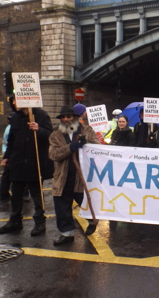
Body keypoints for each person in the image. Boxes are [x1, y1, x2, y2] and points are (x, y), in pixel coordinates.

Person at [0, 95, 53, 237]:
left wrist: (39, 129)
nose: (14, 103)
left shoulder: (41, 115)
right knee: (16, 195)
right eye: (13, 101)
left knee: (37, 196)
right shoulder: (15, 117)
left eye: (17, 100)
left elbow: (51, 136)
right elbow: (11, 140)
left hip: (34, 162)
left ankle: (40, 223)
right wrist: (6, 158)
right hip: (17, 163)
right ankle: (15, 221)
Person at [49, 105, 101, 245]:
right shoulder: (55, 134)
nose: (66, 120)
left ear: (75, 118)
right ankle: (67, 234)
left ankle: (92, 220)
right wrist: (69, 148)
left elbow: (97, 148)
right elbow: (53, 154)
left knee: (85, 202)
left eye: (68, 116)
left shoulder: (87, 131)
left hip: (82, 176)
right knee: (62, 206)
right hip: (63, 176)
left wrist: (86, 144)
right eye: (63, 117)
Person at [0, 113, 13, 201]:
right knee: (8, 175)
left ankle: (4, 193)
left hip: (7, 153)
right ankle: (3, 194)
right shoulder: (11, 129)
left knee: (6, 175)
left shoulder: (8, 128)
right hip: (10, 154)